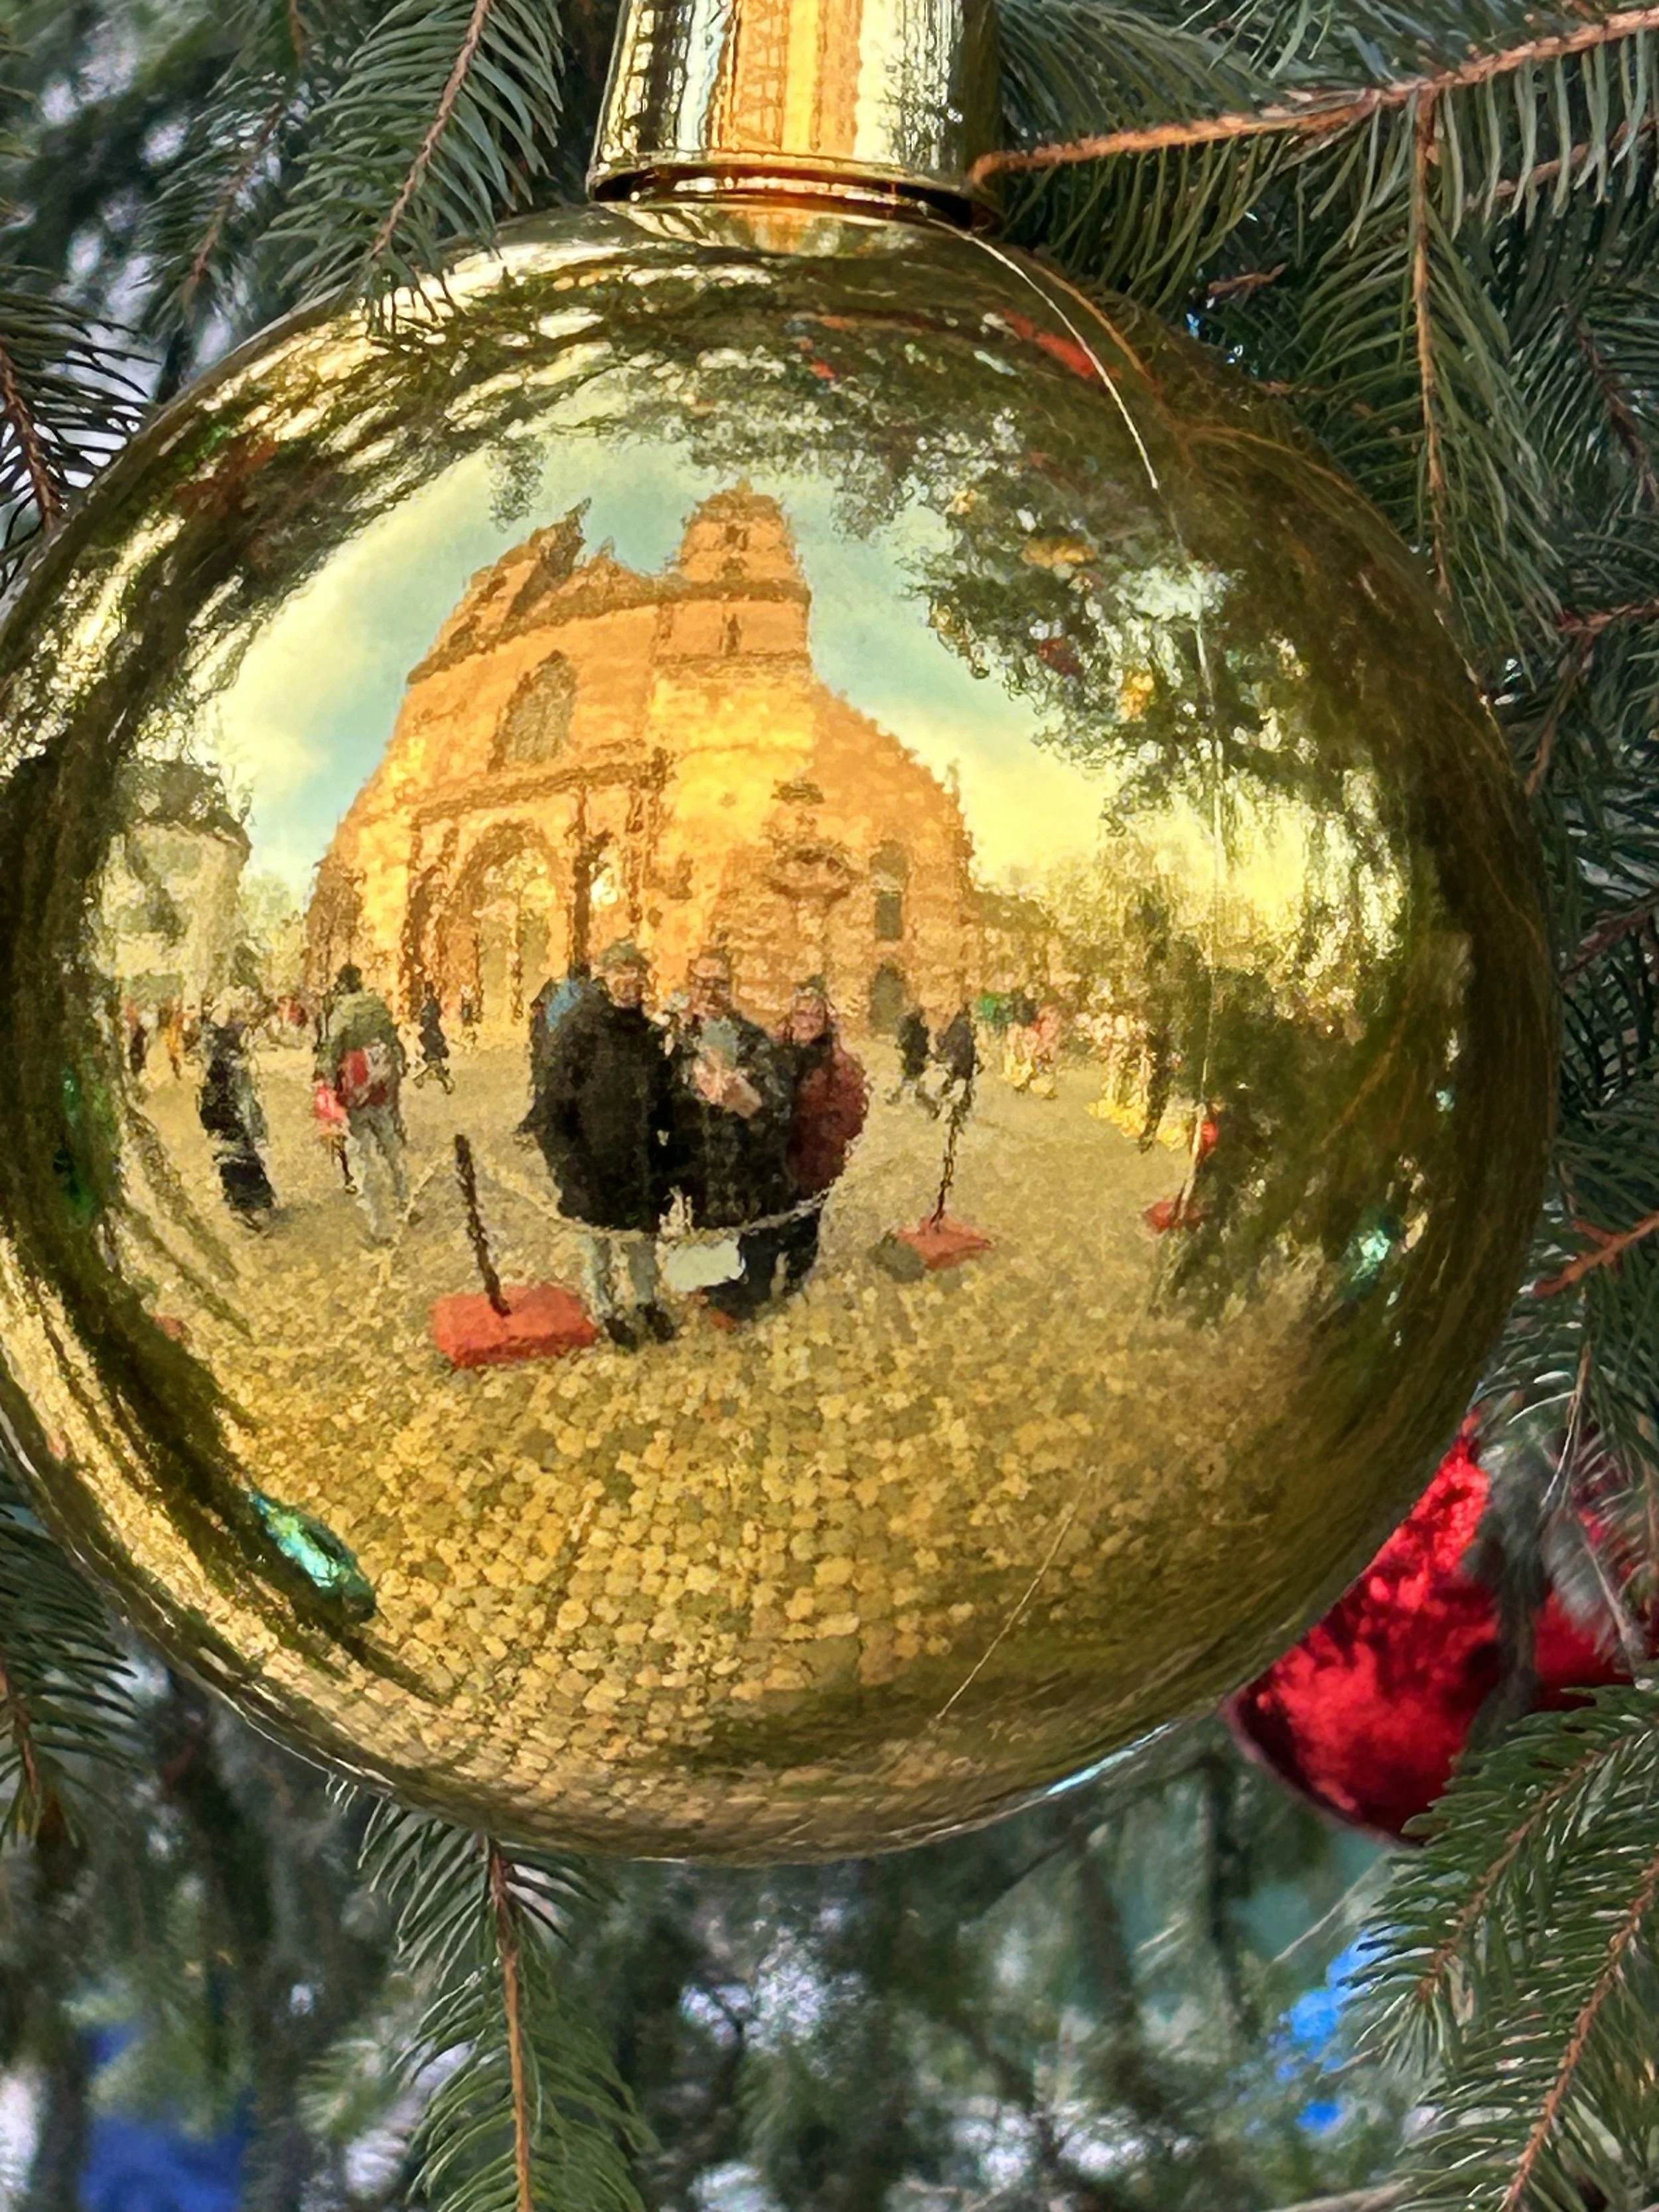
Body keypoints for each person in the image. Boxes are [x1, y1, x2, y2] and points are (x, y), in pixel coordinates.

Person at [531, 940, 676, 1350]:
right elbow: (552, 1106)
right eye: (620, 971)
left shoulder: (648, 1033)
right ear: (606, 976)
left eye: (636, 972)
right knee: (598, 1247)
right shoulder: (580, 1029)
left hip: (638, 1158)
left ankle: (646, 1302)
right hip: (591, 1158)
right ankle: (606, 1308)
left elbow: (661, 1097)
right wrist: (567, 1166)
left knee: (641, 1241)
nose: (629, 981)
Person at [668, 947, 792, 1325]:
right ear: (692, 985)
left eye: (719, 984)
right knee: (704, 1225)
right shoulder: (678, 1037)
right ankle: (711, 1289)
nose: (710, 992)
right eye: (703, 983)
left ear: (731, 986)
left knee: (747, 1230)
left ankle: (742, 1299)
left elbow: (777, 1101)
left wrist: (749, 1099)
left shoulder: (752, 1038)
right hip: (696, 1158)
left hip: (743, 1160)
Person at [774, 980, 867, 1298]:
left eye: (816, 1015)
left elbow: (852, 1116)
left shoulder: (838, 1063)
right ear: (790, 1017)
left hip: (815, 1157)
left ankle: (795, 1277)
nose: (808, 1022)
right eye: (802, 1014)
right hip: (775, 1155)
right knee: (772, 1215)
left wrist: (827, 1134)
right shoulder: (773, 1052)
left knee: (806, 1220)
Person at [319, 964, 408, 1242]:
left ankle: (378, 1225)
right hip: (381, 1081)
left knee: (360, 1152)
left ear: (343, 984)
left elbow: (332, 1049)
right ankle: (405, 1198)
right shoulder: (376, 1004)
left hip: (356, 1086)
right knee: (390, 1142)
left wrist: (329, 1085)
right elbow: (393, 1040)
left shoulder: (342, 1011)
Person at [197, 1012, 275, 1226]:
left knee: (233, 1165)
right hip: (234, 1127)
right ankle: (252, 1205)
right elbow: (247, 1103)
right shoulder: (235, 1069)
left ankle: (243, 1204)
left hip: (223, 1127)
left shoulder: (214, 1072)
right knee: (243, 1165)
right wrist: (257, 1130)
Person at [888, 1003, 931, 1107]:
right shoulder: (921, 1029)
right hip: (915, 1058)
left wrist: (901, 1047)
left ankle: (895, 1097)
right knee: (912, 1081)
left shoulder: (913, 1027)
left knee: (909, 1080)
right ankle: (929, 1105)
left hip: (913, 1058)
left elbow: (907, 1042)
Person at [413, 987, 454, 1093]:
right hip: (429, 1035)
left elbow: (431, 1017)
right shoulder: (428, 1004)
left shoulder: (432, 1005)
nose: (426, 995)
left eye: (427, 993)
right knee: (433, 1061)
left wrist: (424, 1026)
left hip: (432, 1035)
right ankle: (446, 1082)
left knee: (434, 1060)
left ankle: (446, 1082)